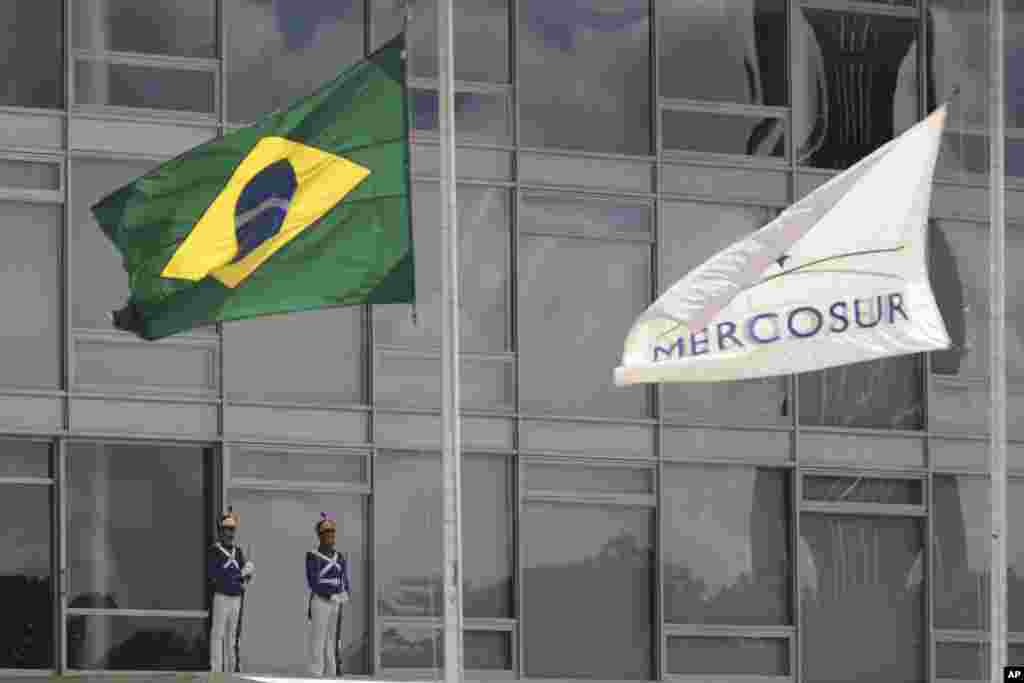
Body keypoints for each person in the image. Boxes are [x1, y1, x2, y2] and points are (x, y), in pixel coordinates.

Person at [208, 508, 253, 672]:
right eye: (227, 529)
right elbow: (214, 576)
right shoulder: (215, 551)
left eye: (232, 530)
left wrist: (247, 572)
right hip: (222, 596)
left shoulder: (238, 552)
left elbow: (245, 576)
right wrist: (236, 577)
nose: (230, 533)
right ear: (221, 532)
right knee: (218, 634)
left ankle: (231, 670)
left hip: (236, 597)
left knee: (232, 637)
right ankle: (216, 670)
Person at [306, 512, 350, 677]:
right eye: (326, 532)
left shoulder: (340, 557)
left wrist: (345, 592)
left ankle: (332, 674)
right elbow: (313, 582)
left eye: (332, 532)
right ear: (320, 535)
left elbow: (344, 579)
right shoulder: (312, 556)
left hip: (335, 602)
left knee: (332, 641)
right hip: (320, 601)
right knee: (318, 640)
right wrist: (330, 595)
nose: (330, 535)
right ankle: (315, 674)